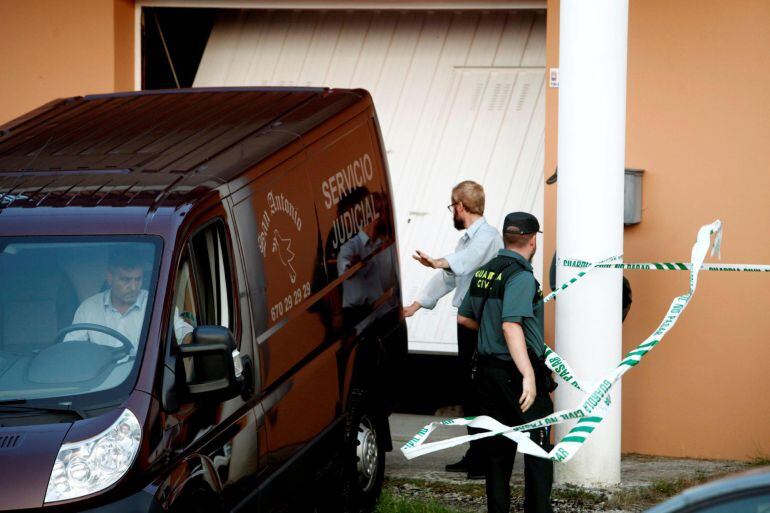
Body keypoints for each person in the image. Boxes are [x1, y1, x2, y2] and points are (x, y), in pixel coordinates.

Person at [403, 180, 502, 478]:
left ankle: (486, 458)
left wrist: (438, 261)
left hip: (481, 324)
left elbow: (463, 262)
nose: (452, 213)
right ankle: (476, 452)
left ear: (460, 206)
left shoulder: (487, 236)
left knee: (481, 390)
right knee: (470, 390)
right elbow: (449, 277)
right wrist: (414, 306)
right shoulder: (469, 239)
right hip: (467, 323)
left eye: (451, 207)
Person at [458, 211, 554, 513]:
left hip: (488, 375)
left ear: (505, 237)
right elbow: (511, 325)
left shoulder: (486, 270)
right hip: (516, 375)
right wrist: (528, 374)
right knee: (537, 447)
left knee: (497, 453)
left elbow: (464, 317)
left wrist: (492, 335)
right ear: (533, 239)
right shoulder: (521, 277)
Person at [66, 250, 193, 351]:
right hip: (99, 380)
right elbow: (70, 349)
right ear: (110, 278)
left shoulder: (157, 304)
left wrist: (191, 339)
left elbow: (184, 334)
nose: (133, 287)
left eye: (138, 279)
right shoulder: (89, 308)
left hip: (143, 380)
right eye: (126, 280)